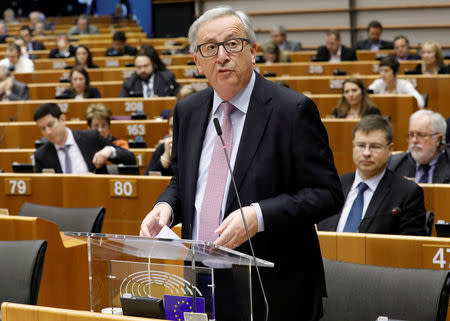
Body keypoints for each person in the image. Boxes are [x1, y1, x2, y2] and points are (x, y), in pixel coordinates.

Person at [139, 6, 344, 321]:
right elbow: (183, 182)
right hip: (203, 283)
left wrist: (259, 215)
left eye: (232, 44)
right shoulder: (188, 112)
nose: (221, 56)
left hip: (276, 288)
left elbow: (327, 194)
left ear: (253, 51)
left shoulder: (292, 110)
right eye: (210, 48)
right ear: (197, 61)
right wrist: (166, 206)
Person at [318, 115, 426, 235]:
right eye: (361, 145)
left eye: (374, 147)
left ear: (390, 149)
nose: (366, 153)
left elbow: (409, 248)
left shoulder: (407, 193)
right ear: (353, 146)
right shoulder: (335, 185)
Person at [33, 103, 136, 174]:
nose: (48, 132)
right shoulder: (41, 155)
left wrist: (109, 150)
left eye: (51, 125)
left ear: (62, 119)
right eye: (43, 129)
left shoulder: (91, 137)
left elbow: (131, 158)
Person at [388, 110, 450, 183]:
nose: (414, 140)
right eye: (411, 135)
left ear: (438, 139)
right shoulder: (394, 164)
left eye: (421, 135)